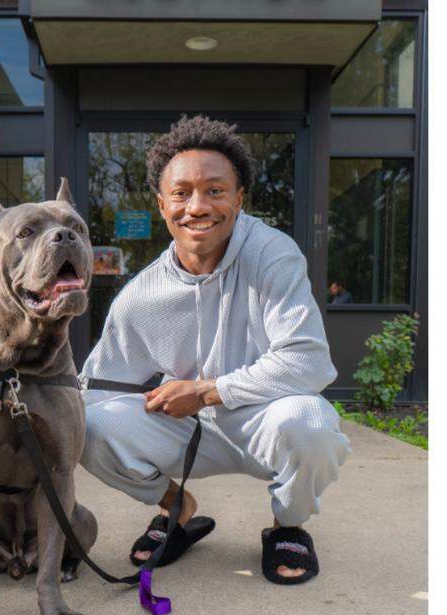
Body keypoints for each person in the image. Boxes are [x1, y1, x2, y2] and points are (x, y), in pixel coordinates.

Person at [80, 115, 350, 585]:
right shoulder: (141, 295)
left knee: (311, 424)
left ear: (240, 198)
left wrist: (206, 391)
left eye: (215, 190)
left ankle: (288, 527)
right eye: (181, 193)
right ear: (162, 205)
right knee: (87, 424)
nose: (197, 206)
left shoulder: (272, 254)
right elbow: (97, 385)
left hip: (264, 417)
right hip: (185, 432)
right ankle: (177, 508)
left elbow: (309, 360)